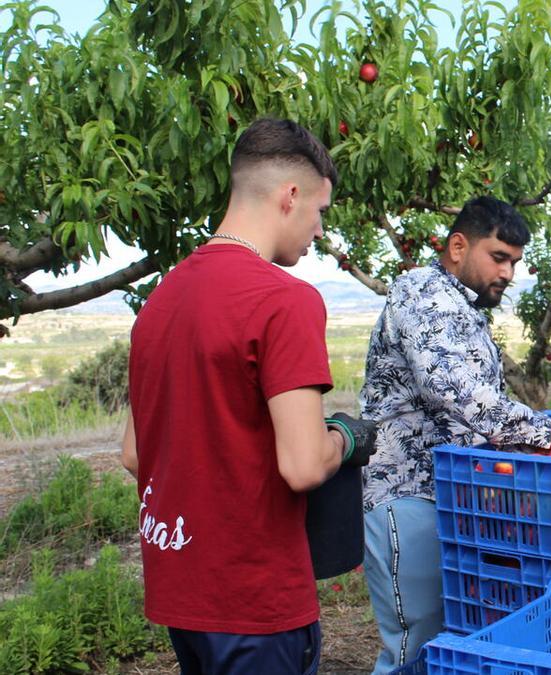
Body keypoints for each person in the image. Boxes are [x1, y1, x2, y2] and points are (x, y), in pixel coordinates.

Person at [121, 117, 377, 675]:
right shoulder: (284, 300)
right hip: (256, 602)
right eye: (320, 211)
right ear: (290, 196)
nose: (318, 230)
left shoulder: (161, 301)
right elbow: (303, 466)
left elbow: (134, 454)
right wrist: (345, 437)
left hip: (182, 595)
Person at [358, 195, 551, 672]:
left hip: (451, 495)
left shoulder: (462, 307)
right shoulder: (423, 293)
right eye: (498, 257)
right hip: (408, 493)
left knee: (448, 638)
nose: (508, 273)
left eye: (514, 263)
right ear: (458, 247)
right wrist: (543, 429)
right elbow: (454, 389)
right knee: (415, 644)